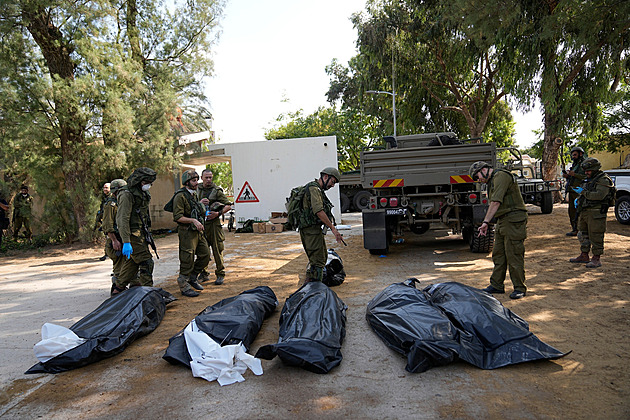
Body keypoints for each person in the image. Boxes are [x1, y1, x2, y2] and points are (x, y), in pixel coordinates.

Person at [470, 161, 528, 299]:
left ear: (484, 169)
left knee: (514, 254)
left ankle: (519, 287)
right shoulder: (493, 180)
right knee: (498, 254)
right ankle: (497, 284)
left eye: (477, 176)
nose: (478, 180)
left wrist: (485, 222)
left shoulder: (501, 176)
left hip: (513, 219)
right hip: (503, 219)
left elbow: (496, 202)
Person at [297, 167, 344, 283]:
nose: (332, 185)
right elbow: (319, 211)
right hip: (310, 230)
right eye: (333, 182)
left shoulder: (317, 189)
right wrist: (333, 229)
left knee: (320, 259)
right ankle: (315, 291)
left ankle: (312, 287)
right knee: (317, 261)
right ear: (325, 177)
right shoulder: (314, 189)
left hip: (313, 230)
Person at [114, 167, 157, 294]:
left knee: (132, 263)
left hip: (140, 233)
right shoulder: (127, 194)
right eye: (147, 182)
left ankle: (118, 288)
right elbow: (122, 219)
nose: (150, 185)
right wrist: (126, 241)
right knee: (146, 262)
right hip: (132, 235)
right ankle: (148, 293)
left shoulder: (141, 193)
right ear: (139, 181)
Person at [569, 157, 614, 268]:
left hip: (596, 212)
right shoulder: (589, 178)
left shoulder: (603, 180)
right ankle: (584, 255)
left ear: (595, 169)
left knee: (596, 235)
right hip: (585, 211)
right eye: (585, 171)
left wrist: (583, 193)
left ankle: (596, 258)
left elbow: (599, 195)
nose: (586, 173)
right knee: (582, 234)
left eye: (588, 170)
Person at [172, 170, 209, 297]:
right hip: (187, 232)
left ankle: (193, 277)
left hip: (197, 231)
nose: (196, 182)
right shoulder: (180, 196)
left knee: (205, 254)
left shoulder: (194, 194)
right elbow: (177, 217)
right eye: (193, 180)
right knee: (187, 258)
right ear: (187, 182)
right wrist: (193, 220)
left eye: (197, 180)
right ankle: (183, 284)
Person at [197, 168, 232, 285]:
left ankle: (220, 273)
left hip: (214, 225)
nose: (208, 180)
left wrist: (218, 213)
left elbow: (228, 205)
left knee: (217, 249)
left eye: (210, 177)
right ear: (201, 178)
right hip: (201, 224)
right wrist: (200, 203)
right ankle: (204, 273)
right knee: (202, 251)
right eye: (206, 177)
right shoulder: (196, 190)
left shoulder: (216, 191)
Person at [102, 179, 134, 295]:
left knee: (128, 268)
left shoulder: (122, 202)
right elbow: (107, 225)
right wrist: (114, 240)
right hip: (116, 241)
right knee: (119, 270)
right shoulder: (111, 205)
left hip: (122, 239)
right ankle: (116, 293)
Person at [562, 146, 586, 236]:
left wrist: (575, 174)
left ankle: (581, 229)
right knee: (571, 211)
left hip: (580, 191)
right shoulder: (575, 165)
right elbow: (573, 177)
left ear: (580, 154)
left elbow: (587, 177)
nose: (573, 157)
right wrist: (568, 176)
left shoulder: (585, 164)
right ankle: (574, 229)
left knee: (579, 211)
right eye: (572, 155)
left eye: (575, 155)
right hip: (572, 190)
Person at [96, 182, 111, 260]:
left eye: (107, 188)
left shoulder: (111, 198)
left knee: (110, 238)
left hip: (110, 221)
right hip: (105, 220)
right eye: (104, 188)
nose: (105, 189)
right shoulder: (105, 198)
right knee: (108, 238)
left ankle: (108, 254)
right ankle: (107, 253)